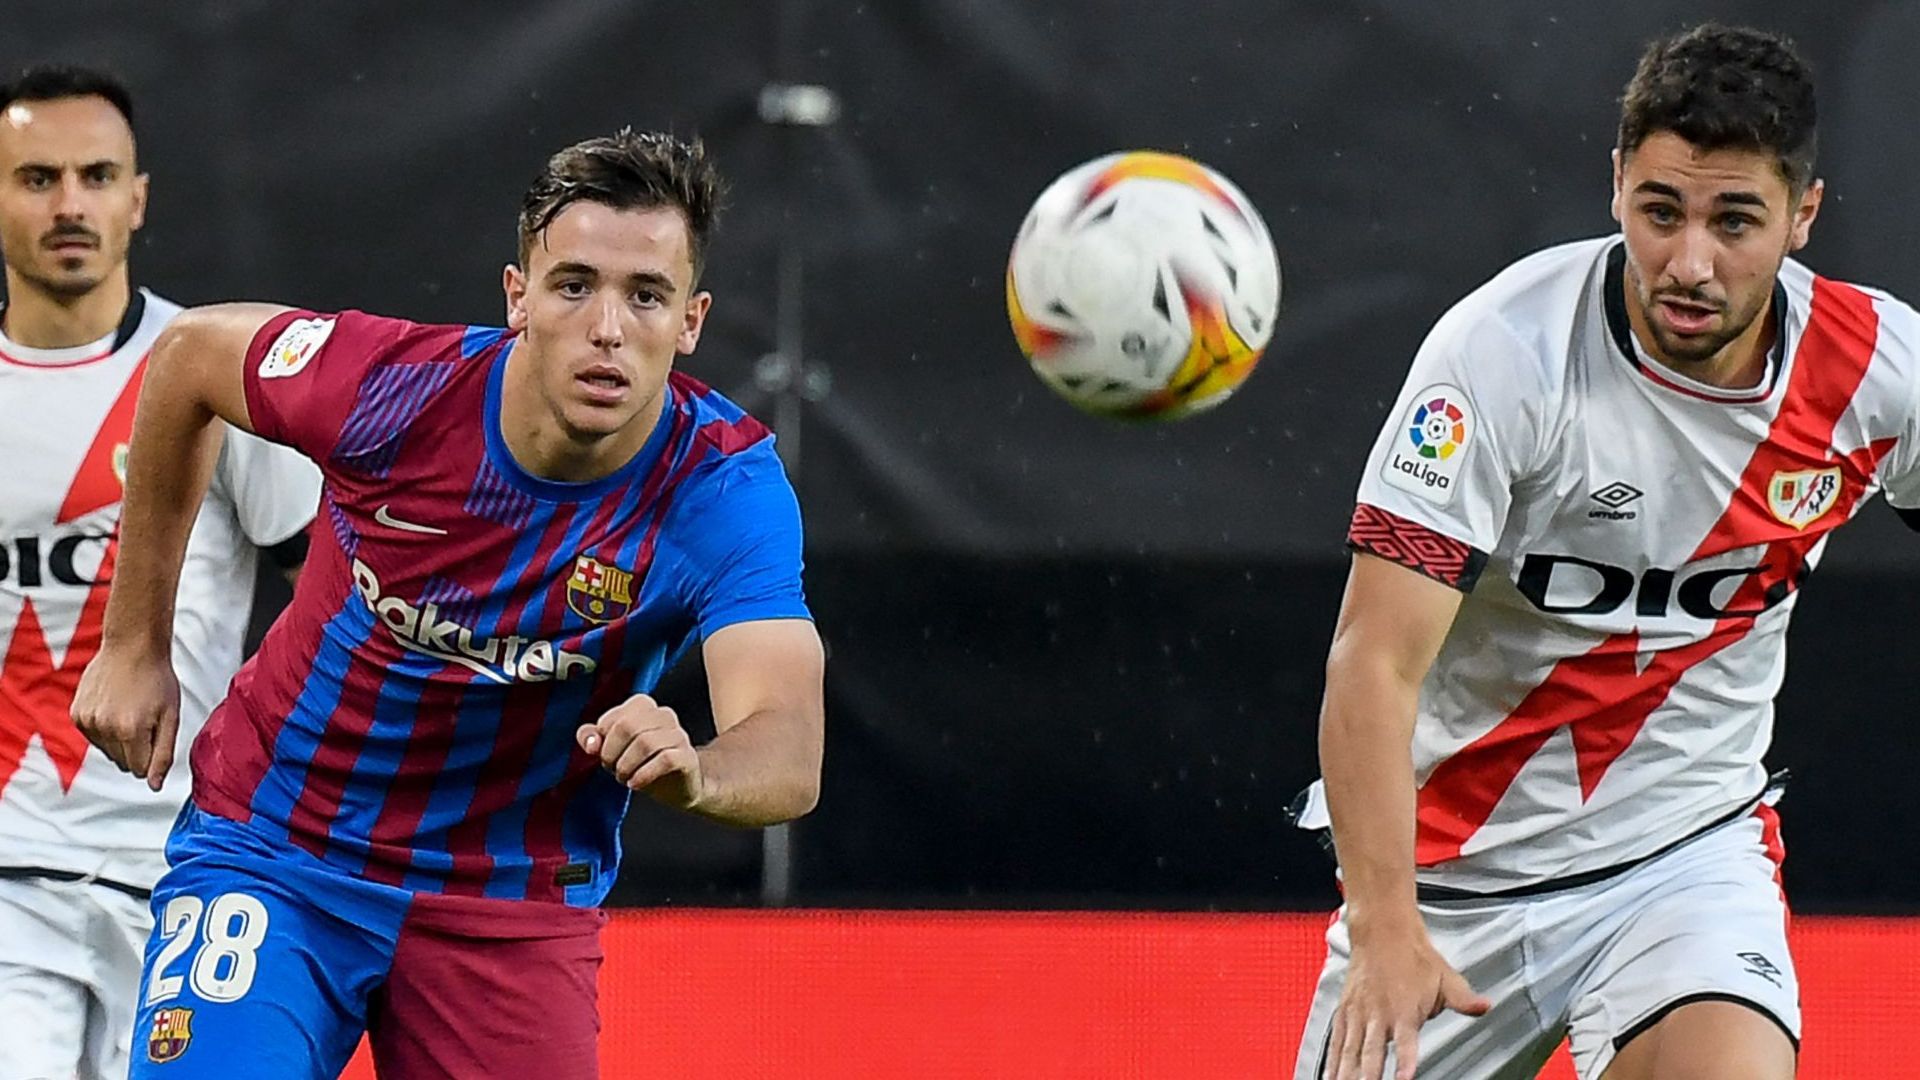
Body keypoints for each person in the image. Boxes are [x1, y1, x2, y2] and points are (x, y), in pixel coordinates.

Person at [72, 127, 825, 1079]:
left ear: (692, 321)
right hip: (279, 852)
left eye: (646, 296)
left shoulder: (722, 488)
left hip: (508, 908)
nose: (607, 329)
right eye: (573, 285)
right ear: (517, 298)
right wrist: (133, 644)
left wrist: (699, 772)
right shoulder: (388, 390)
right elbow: (185, 357)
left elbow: (790, 748)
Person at [1291, 24, 1920, 1080]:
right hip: (1446, 885)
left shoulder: (1877, 374)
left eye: (1736, 221)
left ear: (1803, 217)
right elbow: (1373, 662)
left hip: (1682, 857)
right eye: (1661, 211)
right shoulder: (1501, 357)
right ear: (1617, 181)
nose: (1690, 262)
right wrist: (1386, 928)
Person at [0, 64, 321, 1080]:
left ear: (137, 198)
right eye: (36, 177)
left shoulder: (217, 377)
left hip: (188, 875)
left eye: (97, 176)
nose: (69, 204)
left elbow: (335, 595)